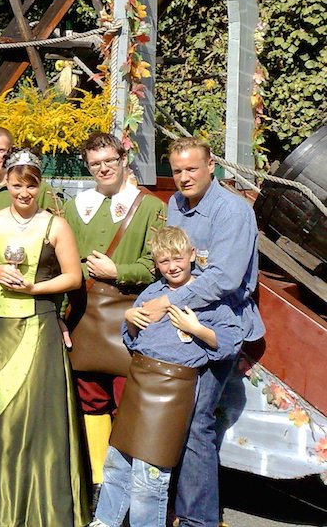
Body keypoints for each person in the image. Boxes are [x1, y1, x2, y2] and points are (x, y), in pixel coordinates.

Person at [134, 137, 263, 527]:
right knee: (172, 420)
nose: (184, 177)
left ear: (212, 168)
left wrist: (166, 305)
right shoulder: (176, 205)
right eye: (177, 171)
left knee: (195, 424)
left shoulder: (233, 212)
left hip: (217, 323)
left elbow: (223, 279)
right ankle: (164, 506)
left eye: (192, 169)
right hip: (179, 324)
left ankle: (198, 520)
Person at [0, 148, 90, 526]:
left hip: (38, 323)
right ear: (6, 181)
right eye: (17, 184)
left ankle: (39, 503)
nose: (23, 193)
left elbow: (74, 276)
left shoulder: (55, 225)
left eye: (30, 186)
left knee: (38, 416)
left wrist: (35, 289)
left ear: (40, 185)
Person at [90, 226, 242, 527]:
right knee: (118, 460)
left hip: (173, 389)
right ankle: (104, 521)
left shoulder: (208, 296)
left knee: (151, 473)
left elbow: (231, 341)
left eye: (177, 258)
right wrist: (130, 322)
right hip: (140, 380)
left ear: (192, 256)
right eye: (164, 261)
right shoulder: (152, 292)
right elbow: (132, 340)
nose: (172, 266)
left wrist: (197, 328)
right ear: (157, 264)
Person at [63, 132, 166, 488]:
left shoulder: (150, 207)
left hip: (129, 318)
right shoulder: (76, 206)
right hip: (83, 316)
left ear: (124, 160)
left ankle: (133, 486)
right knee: (90, 400)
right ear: (88, 167)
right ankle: (98, 482)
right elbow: (64, 264)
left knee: (130, 404)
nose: (104, 168)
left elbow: (157, 268)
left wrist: (118, 271)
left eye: (110, 160)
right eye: (95, 163)